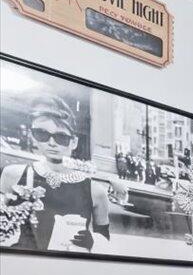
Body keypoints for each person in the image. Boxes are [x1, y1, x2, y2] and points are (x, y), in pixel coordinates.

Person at [0, 95, 121, 252]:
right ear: (33, 137)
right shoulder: (14, 175)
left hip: (69, 268)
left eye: (61, 137)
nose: (51, 143)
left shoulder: (95, 191)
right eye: (42, 134)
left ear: (74, 142)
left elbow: (105, 241)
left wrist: (92, 241)